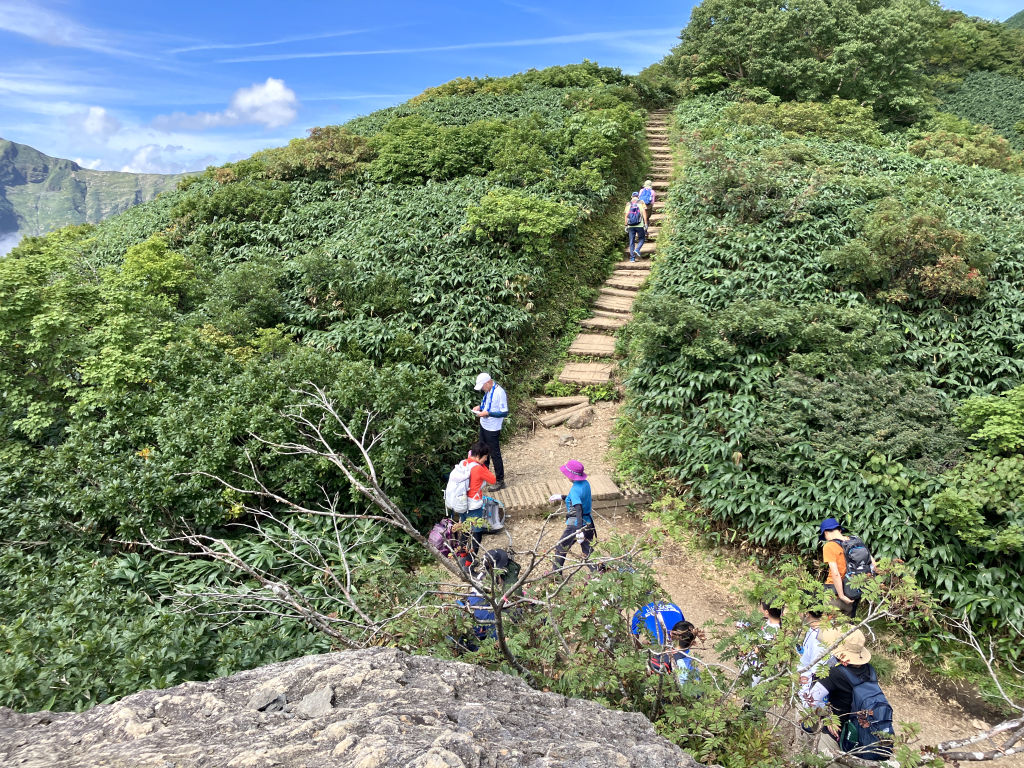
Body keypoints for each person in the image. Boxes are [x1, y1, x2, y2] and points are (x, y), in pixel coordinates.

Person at [808, 629, 894, 759]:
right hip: (861, 734)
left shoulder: (834, 673)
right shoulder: (870, 670)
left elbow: (810, 701)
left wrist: (827, 718)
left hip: (838, 735)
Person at [820, 518, 877, 618]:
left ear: (825, 533)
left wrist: (841, 595)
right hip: (852, 593)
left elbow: (836, 573)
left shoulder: (829, 546)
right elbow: (874, 565)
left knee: (829, 630)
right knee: (847, 630)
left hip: (833, 595)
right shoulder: (856, 541)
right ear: (840, 530)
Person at [549, 460, 596, 572]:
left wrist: (579, 529)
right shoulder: (585, 483)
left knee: (561, 548)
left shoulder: (575, 489)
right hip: (588, 522)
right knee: (587, 549)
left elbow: (578, 507)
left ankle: (556, 574)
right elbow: (580, 498)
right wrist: (562, 497)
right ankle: (597, 572)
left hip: (575, 523)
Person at [456, 441, 495, 558]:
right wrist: (482, 465)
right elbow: (493, 480)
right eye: (485, 458)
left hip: (461, 504)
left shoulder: (463, 463)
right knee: (477, 533)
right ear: (478, 456)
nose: (485, 460)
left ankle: (462, 554)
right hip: (473, 505)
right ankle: (471, 561)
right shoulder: (479, 468)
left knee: (465, 529)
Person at [472, 373, 508, 491]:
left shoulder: (499, 392)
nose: (482, 389)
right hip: (484, 425)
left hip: (493, 428)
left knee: (494, 454)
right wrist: (480, 408)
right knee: (483, 451)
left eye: (482, 386)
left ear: (488, 382)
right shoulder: (488, 391)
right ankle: (484, 475)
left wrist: (488, 413)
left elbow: (504, 412)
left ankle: (500, 480)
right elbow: (489, 405)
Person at [624, 192, 648, 262]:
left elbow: (626, 215)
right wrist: (646, 223)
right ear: (638, 196)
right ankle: (637, 249)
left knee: (631, 241)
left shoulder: (628, 204)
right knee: (642, 238)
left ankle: (632, 258)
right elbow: (644, 212)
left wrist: (626, 225)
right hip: (639, 225)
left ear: (632, 197)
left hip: (630, 225)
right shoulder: (641, 202)